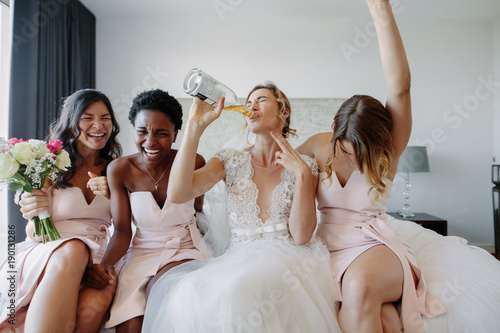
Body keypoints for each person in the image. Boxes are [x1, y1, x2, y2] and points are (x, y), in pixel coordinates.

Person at [297, 1, 446, 332]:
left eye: (359, 152)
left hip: (374, 247)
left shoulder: (388, 151)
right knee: (385, 319)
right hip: (328, 248)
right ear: (335, 126)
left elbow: (400, 86)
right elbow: (276, 175)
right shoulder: (318, 145)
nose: (349, 157)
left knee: (360, 288)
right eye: (344, 148)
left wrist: (381, 11)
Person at [143, 83, 340, 332]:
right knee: (189, 291)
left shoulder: (306, 166)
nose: (251, 106)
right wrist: (195, 126)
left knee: (240, 289)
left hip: (290, 259)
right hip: (239, 257)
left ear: (284, 111)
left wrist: (301, 173)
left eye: (261, 100)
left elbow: (301, 236)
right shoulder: (229, 160)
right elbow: (178, 193)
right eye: (247, 103)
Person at [84, 89, 210, 332]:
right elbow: (121, 231)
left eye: (162, 133)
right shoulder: (120, 169)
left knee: (161, 293)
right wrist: (103, 266)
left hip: (185, 249)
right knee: (130, 326)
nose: (150, 142)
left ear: (175, 135)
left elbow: (198, 212)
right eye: (142, 131)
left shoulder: (195, 162)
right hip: (141, 253)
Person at [0, 89, 122, 332]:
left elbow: (125, 226)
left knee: (94, 305)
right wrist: (32, 204)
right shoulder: (49, 164)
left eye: (105, 117)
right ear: (71, 121)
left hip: (96, 257)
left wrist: (99, 264)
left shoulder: (116, 169)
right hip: (49, 249)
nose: (98, 125)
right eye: (87, 117)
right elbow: (34, 231)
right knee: (75, 248)